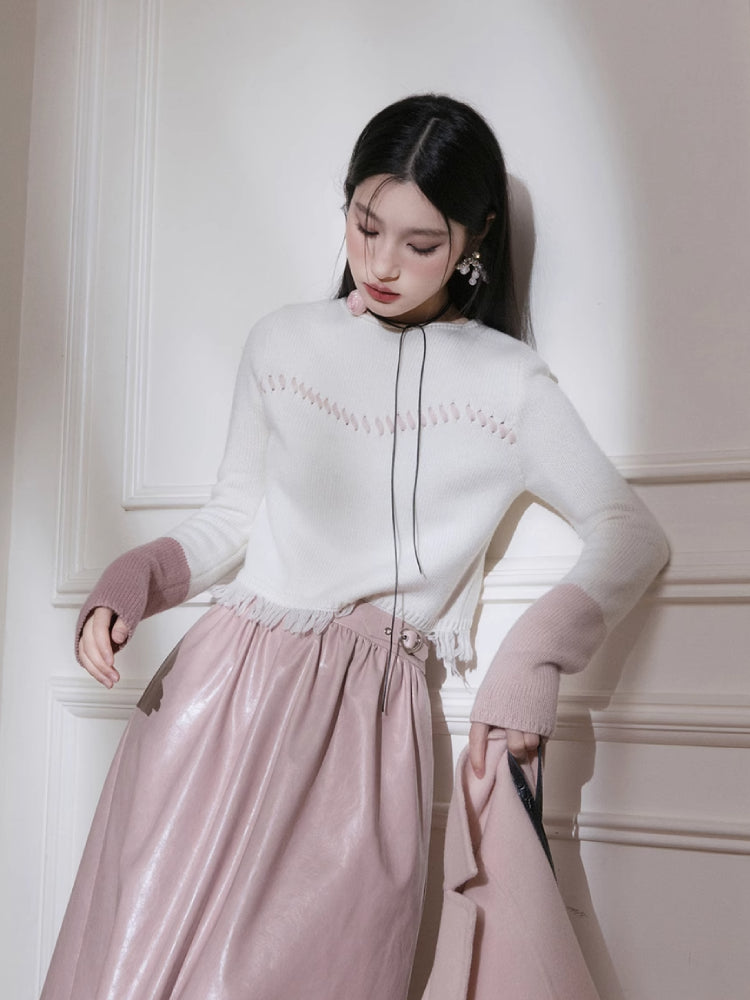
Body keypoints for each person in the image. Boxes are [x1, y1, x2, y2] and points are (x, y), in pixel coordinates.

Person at [41, 94, 669, 1000]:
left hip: (361, 734)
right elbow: (229, 519)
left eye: (420, 243)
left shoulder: (510, 387)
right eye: (365, 225)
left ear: (475, 239)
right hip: (210, 697)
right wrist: (131, 581)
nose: (379, 264)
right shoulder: (284, 342)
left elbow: (629, 532)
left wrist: (533, 657)